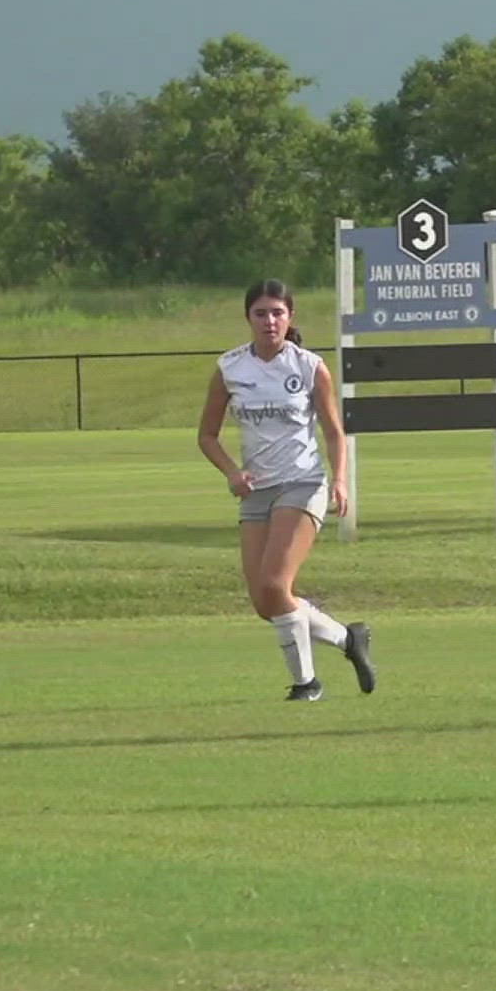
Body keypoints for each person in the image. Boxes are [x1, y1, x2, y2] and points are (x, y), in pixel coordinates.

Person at [196, 279, 375, 702]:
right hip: (256, 491)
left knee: (277, 584)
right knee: (265, 602)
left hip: (302, 482)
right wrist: (231, 473)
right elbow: (206, 435)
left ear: (290, 317)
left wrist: (340, 479)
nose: (269, 321)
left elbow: (334, 431)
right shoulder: (230, 368)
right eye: (260, 313)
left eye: (277, 312)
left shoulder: (310, 367)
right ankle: (349, 639)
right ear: (248, 318)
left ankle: (306, 684)